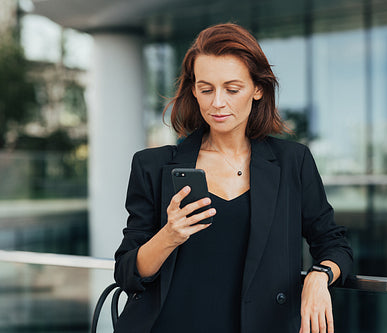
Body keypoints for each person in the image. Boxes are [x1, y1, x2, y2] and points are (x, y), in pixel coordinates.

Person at [114, 23, 353, 333]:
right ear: (194, 91)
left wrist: (319, 276)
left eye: (232, 88)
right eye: (206, 88)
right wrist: (170, 235)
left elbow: (334, 244)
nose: (217, 102)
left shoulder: (293, 162)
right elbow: (127, 271)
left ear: (257, 89)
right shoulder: (152, 166)